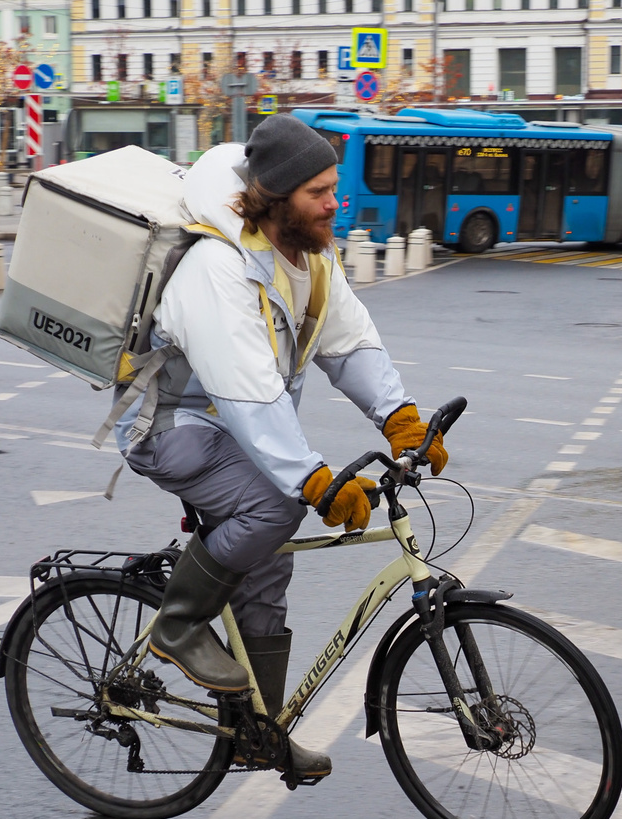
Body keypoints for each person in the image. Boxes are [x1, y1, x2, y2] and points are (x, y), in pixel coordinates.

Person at [115, 115, 449, 778]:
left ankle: (255, 734)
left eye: (333, 187)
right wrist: (315, 481)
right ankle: (178, 625)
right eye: (319, 191)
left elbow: (349, 339)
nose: (335, 201)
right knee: (276, 507)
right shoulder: (217, 265)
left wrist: (401, 420)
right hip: (168, 425)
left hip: (234, 428)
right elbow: (248, 395)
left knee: (268, 564)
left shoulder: (311, 259)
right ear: (276, 198)